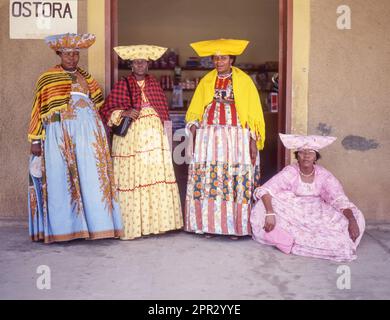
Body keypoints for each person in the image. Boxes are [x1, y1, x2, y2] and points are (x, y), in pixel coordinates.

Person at [28, 33, 123, 243]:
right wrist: (35, 139)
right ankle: (66, 229)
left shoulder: (87, 78)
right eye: (67, 54)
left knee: (92, 177)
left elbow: (99, 105)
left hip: (88, 135)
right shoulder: (47, 78)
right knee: (61, 178)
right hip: (59, 135)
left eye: (75, 55)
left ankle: (97, 226)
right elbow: (38, 108)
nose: (71, 58)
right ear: (59, 54)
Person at [99, 45, 183, 240]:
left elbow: (163, 111)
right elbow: (106, 110)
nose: (140, 65)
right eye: (136, 62)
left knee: (152, 175)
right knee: (133, 177)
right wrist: (124, 112)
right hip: (130, 141)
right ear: (131, 65)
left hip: (153, 139)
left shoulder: (154, 84)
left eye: (143, 62)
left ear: (148, 64)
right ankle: (132, 226)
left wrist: (167, 136)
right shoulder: (123, 84)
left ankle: (158, 224)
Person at [184, 39, 265, 238]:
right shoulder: (206, 80)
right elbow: (195, 110)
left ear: (232, 60)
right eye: (216, 58)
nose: (219, 61)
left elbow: (253, 114)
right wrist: (192, 132)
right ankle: (208, 225)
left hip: (236, 138)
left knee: (235, 177)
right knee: (209, 177)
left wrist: (253, 141)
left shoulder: (244, 81)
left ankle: (236, 227)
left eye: (224, 58)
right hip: (209, 138)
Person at [250, 133, 365, 261]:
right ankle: (284, 238)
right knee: (262, 206)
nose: (306, 156)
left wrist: (352, 220)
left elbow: (339, 199)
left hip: (316, 212)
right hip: (293, 210)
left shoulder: (323, 175)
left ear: (316, 157)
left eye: (310, 152)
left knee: (356, 215)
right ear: (297, 156)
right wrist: (270, 213)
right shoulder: (290, 171)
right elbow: (267, 189)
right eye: (302, 152)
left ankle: (294, 239)